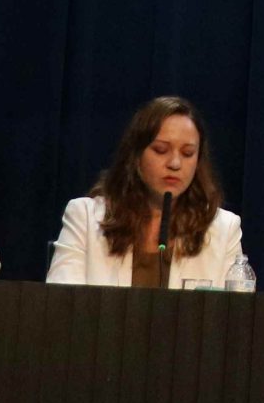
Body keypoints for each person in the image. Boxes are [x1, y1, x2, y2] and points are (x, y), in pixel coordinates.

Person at [48, 96, 247, 287]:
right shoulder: (84, 218)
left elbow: (235, 308)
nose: (175, 163)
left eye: (187, 153)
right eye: (161, 150)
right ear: (136, 155)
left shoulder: (224, 228)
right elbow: (63, 301)